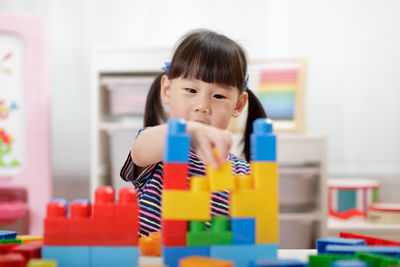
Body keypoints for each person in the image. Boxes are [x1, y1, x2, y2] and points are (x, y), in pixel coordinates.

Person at [120, 29, 267, 236]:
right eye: (191, 90)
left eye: (218, 96)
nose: (202, 106)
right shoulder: (160, 149)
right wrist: (188, 130)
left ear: (238, 104)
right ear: (167, 90)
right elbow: (139, 151)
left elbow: (245, 232)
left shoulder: (241, 173)